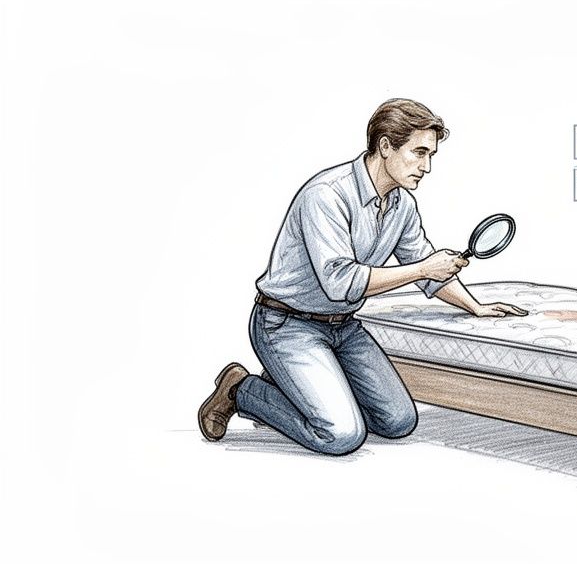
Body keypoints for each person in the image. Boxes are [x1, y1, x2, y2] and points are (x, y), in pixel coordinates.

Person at [198, 98, 527, 455]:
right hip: (285, 324)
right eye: (419, 153)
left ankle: (291, 388)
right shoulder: (327, 194)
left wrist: (475, 306)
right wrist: (423, 268)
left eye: (431, 155)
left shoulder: (402, 205)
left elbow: (426, 267)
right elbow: (341, 283)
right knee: (341, 436)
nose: (427, 167)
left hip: (344, 327)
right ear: (385, 146)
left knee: (399, 421)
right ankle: (240, 390)